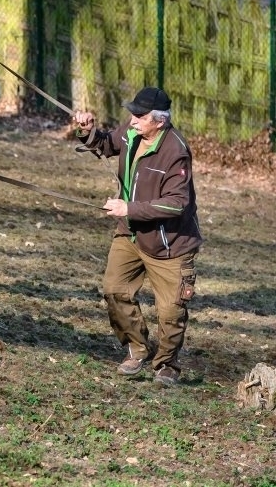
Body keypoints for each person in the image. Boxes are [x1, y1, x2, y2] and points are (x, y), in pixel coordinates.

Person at [73, 87, 203, 386]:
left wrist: (128, 207)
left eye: (140, 115)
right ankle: (137, 348)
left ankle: (166, 364)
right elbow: (104, 145)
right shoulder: (132, 132)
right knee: (114, 290)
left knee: (171, 311)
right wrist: (88, 132)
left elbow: (176, 203)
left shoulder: (175, 151)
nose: (132, 120)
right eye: (132, 113)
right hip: (129, 234)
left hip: (169, 243)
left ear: (159, 120)